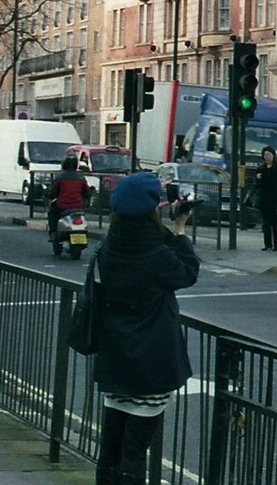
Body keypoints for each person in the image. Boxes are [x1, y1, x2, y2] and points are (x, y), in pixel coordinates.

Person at [92, 171, 198, 485]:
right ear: (151, 211)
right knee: (135, 450)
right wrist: (180, 230)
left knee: (111, 445)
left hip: (115, 358)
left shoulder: (108, 248)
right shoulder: (157, 255)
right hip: (151, 362)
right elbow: (187, 272)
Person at [47, 154, 94, 238]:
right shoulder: (81, 178)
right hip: (78, 206)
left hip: (62, 206)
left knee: (52, 214)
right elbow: (87, 193)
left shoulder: (60, 177)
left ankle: (53, 232)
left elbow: (52, 193)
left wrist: (49, 195)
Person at [254, 146, 277, 252]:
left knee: (275, 222)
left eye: (269, 155)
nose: (267, 157)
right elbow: (258, 185)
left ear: (273, 155)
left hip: (275, 198)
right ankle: (267, 244)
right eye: (265, 155)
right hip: (264, 198)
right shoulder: (261, 168)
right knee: (266, 222)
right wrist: (258, 178)